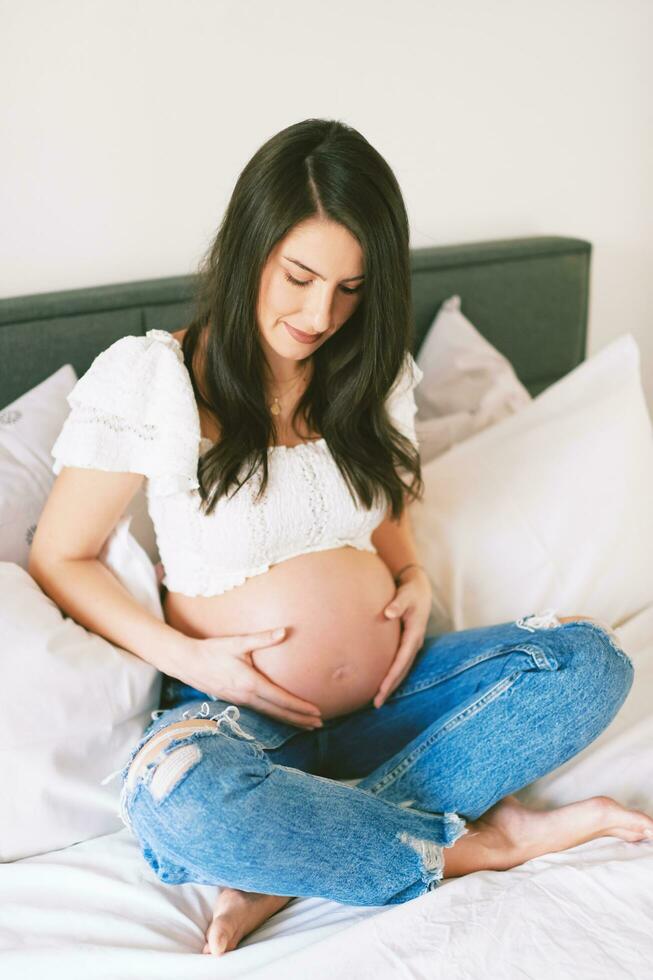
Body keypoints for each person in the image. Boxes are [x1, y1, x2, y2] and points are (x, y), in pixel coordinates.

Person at [30, 118, 652, 958]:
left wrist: (413, 575)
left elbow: (384, 502)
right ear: (250, 246)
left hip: (394, 703)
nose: (321, 313)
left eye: (351, 288)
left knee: (586, 662)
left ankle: (300, 862)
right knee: (171, 797)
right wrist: (191, 659)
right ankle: (475, 845)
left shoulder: (366, 373)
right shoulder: (153, 380)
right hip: (239, 713)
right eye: (299, 276)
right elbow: (59, 556)